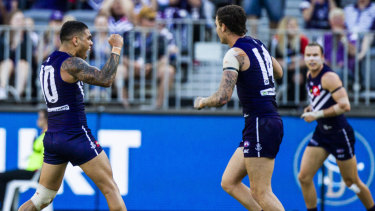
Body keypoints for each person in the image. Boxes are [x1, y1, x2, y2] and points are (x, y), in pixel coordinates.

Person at [18, 21, 126, 211]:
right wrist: (116, 48)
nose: (91, 43)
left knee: (41, 198)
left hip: (53, 138)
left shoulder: (47, 63)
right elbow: (106, 79)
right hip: (75, 135)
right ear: (76, 40)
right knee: (110, 189)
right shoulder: (70, 63)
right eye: (89, 38)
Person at [194, 5, 285, 211]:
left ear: (224, 27)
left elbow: (223, 97)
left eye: (217, 25)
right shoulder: (258, 45)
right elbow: (278, 72)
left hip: (260, 122)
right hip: (265, 121)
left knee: (262, 192)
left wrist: (203, 101)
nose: (217, 29)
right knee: (229, 181)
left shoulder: (234, 54)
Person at [298, 42, 375, 211]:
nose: (311, 59)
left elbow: (345, 105)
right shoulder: (310, 75)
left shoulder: (329, 77)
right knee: (304, 177)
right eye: (308, 55)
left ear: (323, 57)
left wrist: (316, 114)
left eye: (315, 55)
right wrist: (313, 108)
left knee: (351, 182)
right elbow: (321, 99)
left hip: (339, 134)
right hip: (321, 133)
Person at [0, 109, 47, 209]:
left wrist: (42, 173)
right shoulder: (43, 135)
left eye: (40, 118)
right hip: (32, 171)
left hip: (34, 172)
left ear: (47, 120)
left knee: (1, 177)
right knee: (5, 178)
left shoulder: (47, 137)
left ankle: (7, 208)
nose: (38, 120)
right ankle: (9, 207)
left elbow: (47, 158)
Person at [273, 16, 309, 103]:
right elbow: (272, 59)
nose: (293, 28)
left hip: (298, 69)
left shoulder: (302, 40)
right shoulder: (276, 40)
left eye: (295, 25)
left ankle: (298, 103)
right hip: (281, 71)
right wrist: (291, 60)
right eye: (290, 25)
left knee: (299, 76)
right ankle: (287, 103)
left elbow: (307, 59)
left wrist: (289, 63)